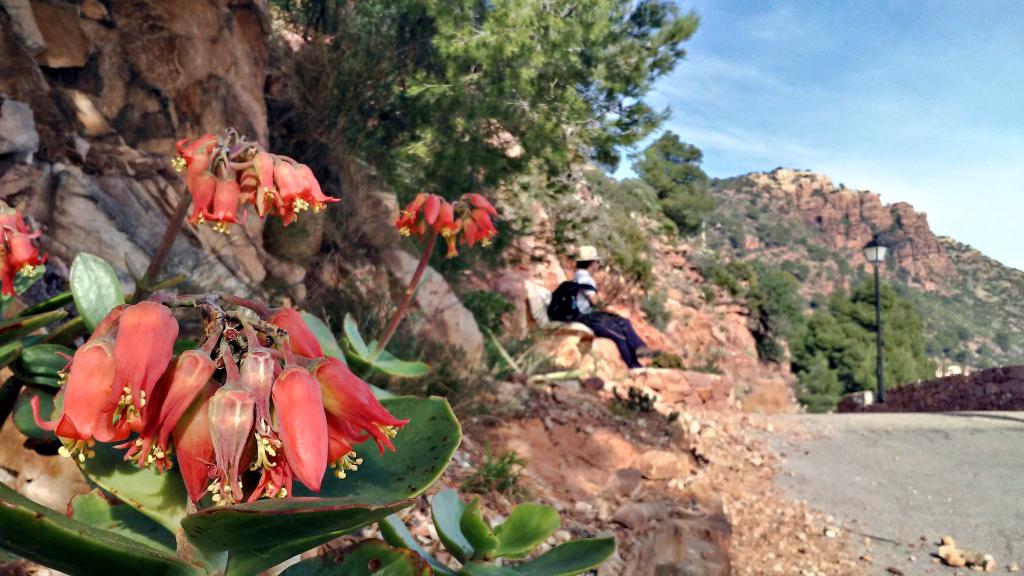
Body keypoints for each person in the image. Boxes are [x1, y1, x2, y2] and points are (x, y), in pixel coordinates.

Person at [572, 246, 657, 369]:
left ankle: (640, 349)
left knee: (624, 322)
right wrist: (604, 301)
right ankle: (634, 365)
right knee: (619, 335)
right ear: (591, 263)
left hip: (589, 315)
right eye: (597, 262)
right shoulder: (583, 277)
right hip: (585, 317)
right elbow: (594, 300)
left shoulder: (580, 275)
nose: (598, 265)